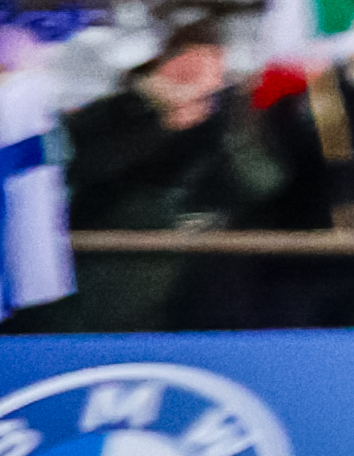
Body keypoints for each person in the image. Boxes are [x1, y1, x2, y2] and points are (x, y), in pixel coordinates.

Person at [30, 25, 300, 330]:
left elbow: (260, 182)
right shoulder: (113, 110)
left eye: (210, 69)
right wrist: (158, 119)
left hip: (187, 279)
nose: (197, 79)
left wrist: (230, 123)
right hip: (102, 266)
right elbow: (89, 167)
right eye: (187, 66)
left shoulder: (222, 123)